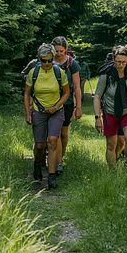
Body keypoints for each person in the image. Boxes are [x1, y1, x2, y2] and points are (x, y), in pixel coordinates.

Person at [23, 43, 70, 189]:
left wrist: (56, 106)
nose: (47, 63)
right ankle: (37, 165)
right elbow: (27, 93)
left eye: (50, 60)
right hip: (39, 111)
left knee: (52, 140)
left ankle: (51, 176)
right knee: (40, 145)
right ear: (39, 59)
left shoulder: (59, 72)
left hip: (56, 111)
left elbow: (67, 92)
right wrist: (28, 112)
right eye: (44, 61)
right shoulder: (34, 73)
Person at [93, 46, 127, 168]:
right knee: (111, 144)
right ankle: (112, 171)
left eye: (123, 62)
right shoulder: (106, 75)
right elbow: (97, 96)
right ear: (113, 60)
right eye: (118, 62)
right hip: (110, 112)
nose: (120, 65)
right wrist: (97, 117)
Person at [52, 36, 82, 175]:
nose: (58, 54)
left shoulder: (71, 64)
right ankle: (57, 163)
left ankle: (60, 157)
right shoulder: (47, 62)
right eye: (56, 51)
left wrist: (79, 107)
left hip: (68, 103)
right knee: (55, 133)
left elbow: (77, 87)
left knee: (64, 134)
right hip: (51, 102)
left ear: (66, 50)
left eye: (61, 51)